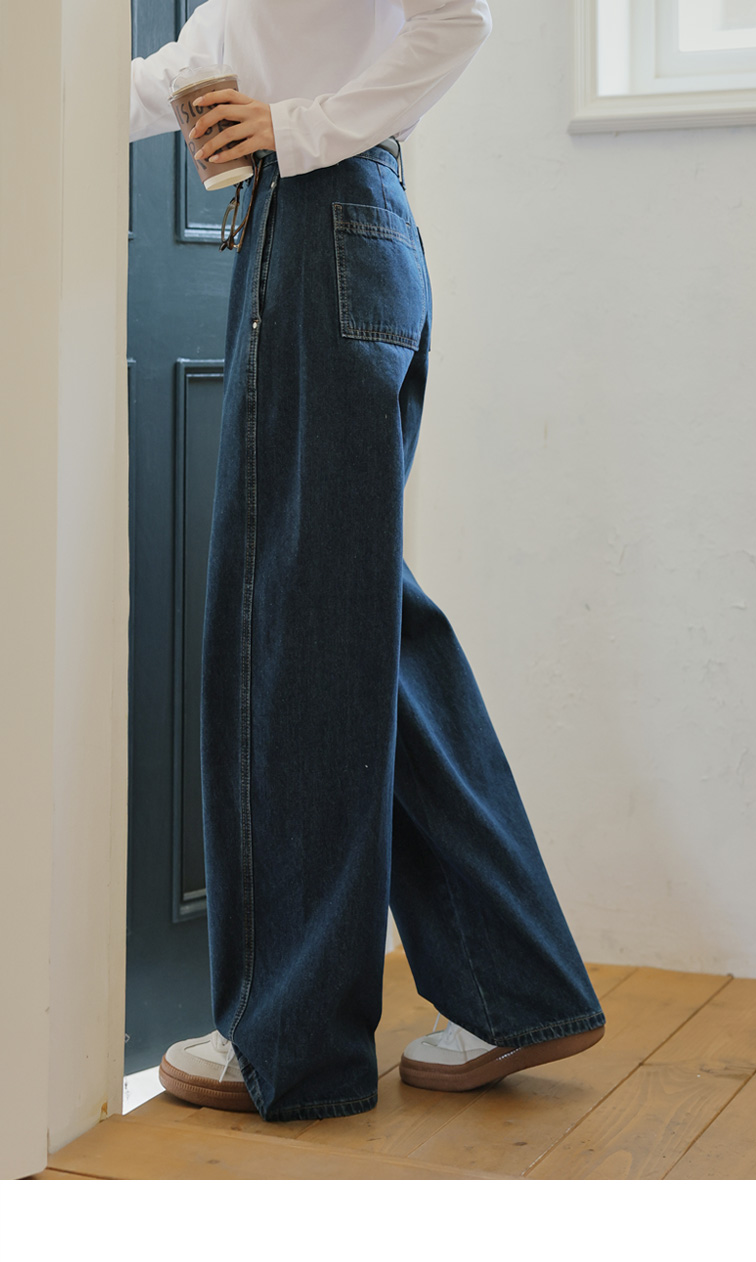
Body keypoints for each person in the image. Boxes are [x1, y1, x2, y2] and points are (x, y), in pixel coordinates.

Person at [129, 0, 606, 1124]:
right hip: (328, 227)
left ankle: (290, 1038)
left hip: (321, 221)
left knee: (290, 634)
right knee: (351, 619)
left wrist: (296, 129)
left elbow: (458, 18)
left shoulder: (316, 132)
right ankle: (515, 983)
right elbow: (189, 65)